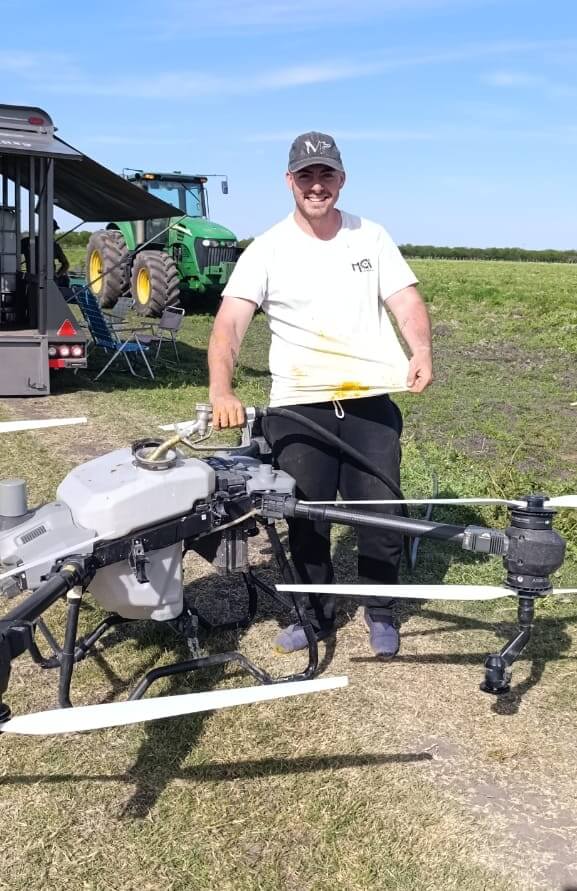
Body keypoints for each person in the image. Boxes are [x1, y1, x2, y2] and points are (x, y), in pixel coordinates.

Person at [208, 131, 433, 659]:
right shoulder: (266, 249)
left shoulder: (370, 238)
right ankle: (314, 617)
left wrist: (420, 349)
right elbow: (228, 327)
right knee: (305, 516)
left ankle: (381, 611)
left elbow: (406, 301)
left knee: (381, 511)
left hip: (369, 399)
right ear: (290, 181)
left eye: (325, 174)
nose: (316, 185)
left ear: (341, 179)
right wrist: (222, 388)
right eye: (305, 176)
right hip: (297, 405)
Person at [21, 219, 70, 287]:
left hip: (34, 282)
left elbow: (66, 264)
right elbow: (66, 264)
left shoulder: (26, 241)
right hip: (45, 282)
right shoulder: (54, 246)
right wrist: (57, 275)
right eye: (54, 230)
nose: (53, 233)